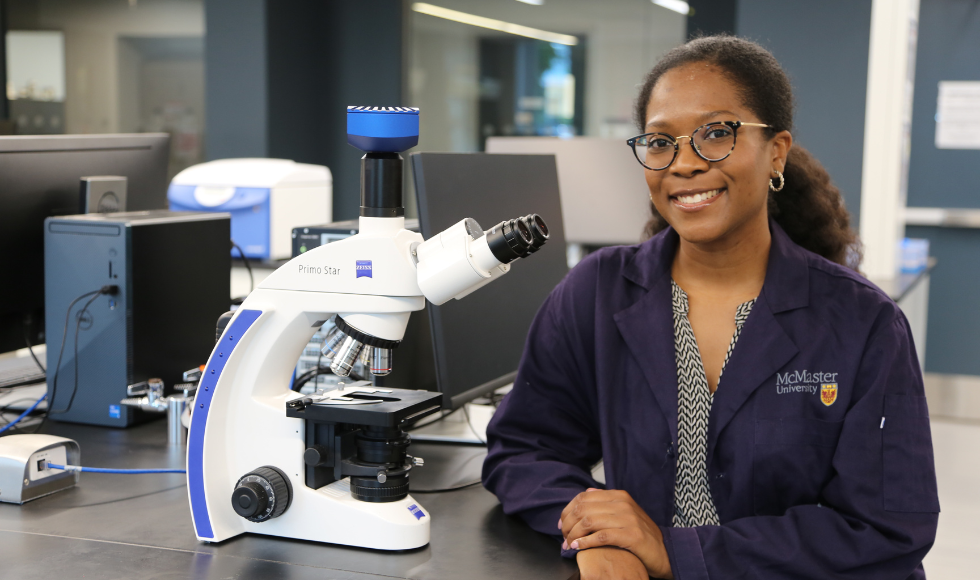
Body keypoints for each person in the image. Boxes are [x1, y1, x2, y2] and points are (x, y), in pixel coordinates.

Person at [482, 35, 939, 580]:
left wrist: (674, 550)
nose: (685, 164)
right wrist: (594, 534)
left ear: (776, 151)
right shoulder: (598, 291)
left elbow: (887, 529)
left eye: (717, 133)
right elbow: (524, 449)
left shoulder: (862, 322)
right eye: (660, 141)